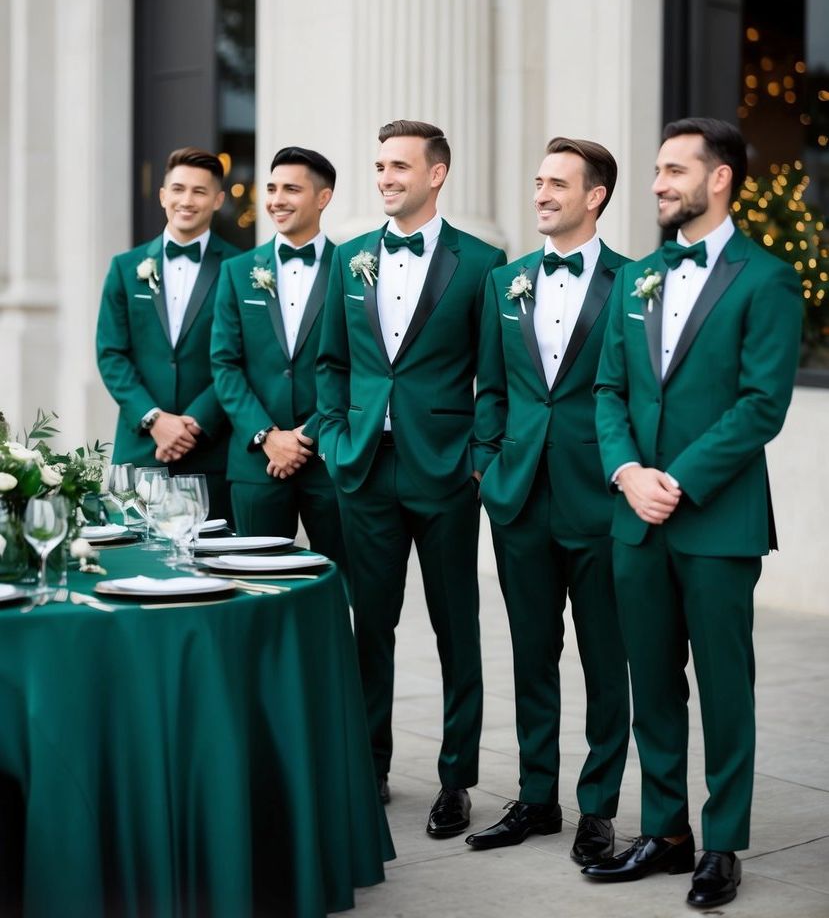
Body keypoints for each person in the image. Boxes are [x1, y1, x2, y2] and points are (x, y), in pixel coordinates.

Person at [585, 118, 802, 909]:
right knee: (652, 683)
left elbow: (760, 405)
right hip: (634, 516)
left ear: (720, 179)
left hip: (714, 518)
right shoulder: (637, 276)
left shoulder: (765, 278)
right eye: (654, 170)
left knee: (722, 686)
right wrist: (625, 472)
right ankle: (664, 831)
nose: (656, 183)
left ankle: (722, 844)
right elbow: (608, 390)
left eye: (673, 169)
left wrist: (672, 480)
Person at [316, 120, 505, 836]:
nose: (386, 177)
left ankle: (456, 779)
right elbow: (331, 363)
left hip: (448, 471)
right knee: (371, 627)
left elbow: (495, 373)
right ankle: (370, 766)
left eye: (399, 166)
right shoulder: (350, 258)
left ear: (436, 174)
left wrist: (479, 459)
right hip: (364, 468)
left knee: (458, 628)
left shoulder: (483, 262)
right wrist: (335, 441)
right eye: (379, 166)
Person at [469, 137, 629, 865]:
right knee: (532, 655)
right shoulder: (505, 282)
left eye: (556, 183)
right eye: (537, 181)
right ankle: (537, 797)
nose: (540, 194)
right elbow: (492, 388)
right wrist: (485, 464)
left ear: (594, 196)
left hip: (599, 500)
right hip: (519, 497)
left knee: (605, 660)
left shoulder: (634, 283)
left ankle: (597, 808)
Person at [210, 146, 348, 574]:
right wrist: (267, 434)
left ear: (322, 198)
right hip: (256, 461)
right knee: (256, 583)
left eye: (291, 188)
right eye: (271, 188)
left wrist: (310, 432)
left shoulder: (353, 267)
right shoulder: (237, 271)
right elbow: (224, 364)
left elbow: (361, 364)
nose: (276, 199)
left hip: (329, 458)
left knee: (341, 586)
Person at [96, 147, 240, 521]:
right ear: (163, 195)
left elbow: (244, 357)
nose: (186, 200)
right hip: (140, 450)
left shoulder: (240, 269)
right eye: (178, 189)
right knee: (131, 565)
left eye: (199, 191)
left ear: (218, 200)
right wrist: (155, 419)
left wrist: (194, 422)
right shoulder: (125, 268)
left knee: (211, 568)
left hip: (211, 451)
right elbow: (111, 353)